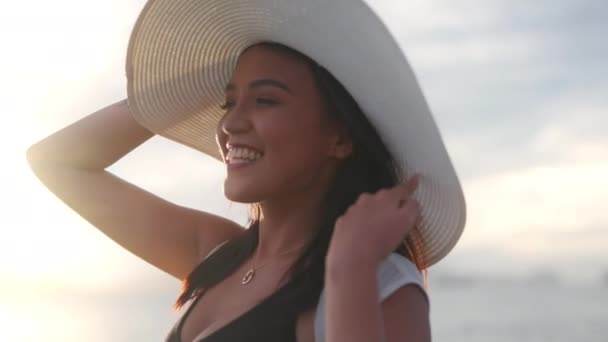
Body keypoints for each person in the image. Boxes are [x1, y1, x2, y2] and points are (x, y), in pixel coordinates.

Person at [27, 0, 466, 341]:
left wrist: (348, 266)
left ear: (340, 138)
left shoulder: (382, 282)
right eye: (227, 102)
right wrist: (194, 84)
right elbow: (57, 162)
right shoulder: (217, 253)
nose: (230, 124)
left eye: (265, 100)